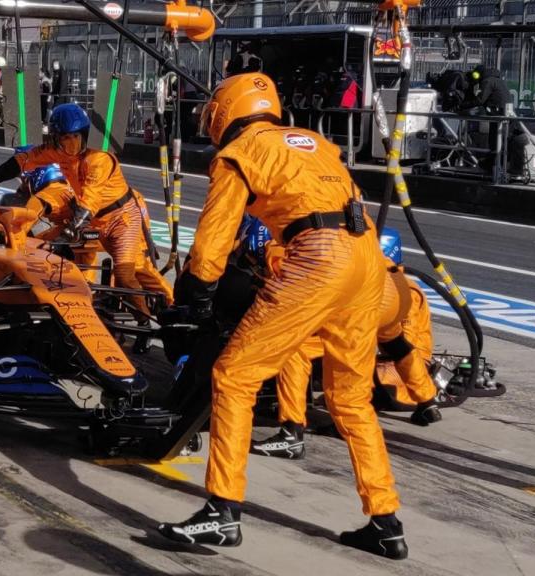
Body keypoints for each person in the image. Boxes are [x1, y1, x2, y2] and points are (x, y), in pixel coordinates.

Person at [156, 73, 407, 559]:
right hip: (367, 257)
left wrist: (199, 300)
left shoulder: (238, 154)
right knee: (351, 399)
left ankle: (222, 512)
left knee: (233, 375)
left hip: (317, 256)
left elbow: (211, 243)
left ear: (226, 112)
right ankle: (385, 521)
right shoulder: (315, 143)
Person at [0, 104, 174, 348]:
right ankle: (110, 315)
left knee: (132, 272)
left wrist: (70, 231)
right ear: (56, 138)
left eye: (75, 136)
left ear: (83, 135)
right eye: (65, 137)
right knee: (91, 266)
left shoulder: (99, 160)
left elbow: (89, 201)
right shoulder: (57, 153)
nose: (71, 143)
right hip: (95, 221)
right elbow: (24, 159)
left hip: (123, 218)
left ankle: (156, 319)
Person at [250, 225, 442, 460]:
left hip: (354, 301)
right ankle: (427, 401)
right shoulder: (353, 229)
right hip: (389, 290)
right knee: (395, 342)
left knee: (294, 348)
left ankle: (291, 433)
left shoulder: (287, 240)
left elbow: (284, 279)